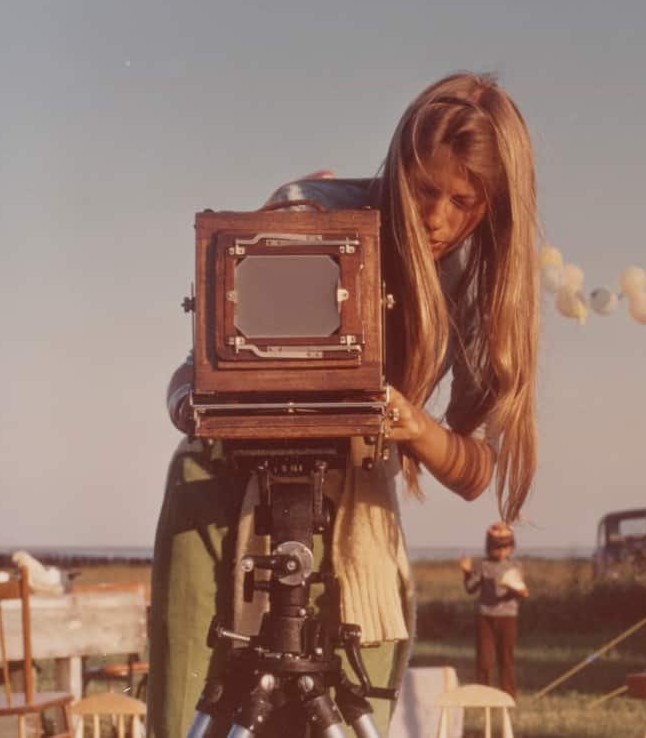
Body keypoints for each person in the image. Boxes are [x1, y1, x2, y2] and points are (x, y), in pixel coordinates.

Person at [148, 72, 541, 738]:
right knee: (182, 715)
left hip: (355, 519)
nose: (438, 217)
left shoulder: (475, 280)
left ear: (493, 206)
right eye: (422, 189)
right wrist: (199, 402)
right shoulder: (314, 212)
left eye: (463, 201)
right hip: (218, 506)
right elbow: (191, 374)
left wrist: (412, 426)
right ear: (396, 166)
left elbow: (478, 469)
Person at [459, 522, 529, 697]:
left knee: (506, 658)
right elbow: (471, 589)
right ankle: (483, 696)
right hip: (485, 617)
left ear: (512, 547)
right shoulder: (483, 566)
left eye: (505, 547)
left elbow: (522, 591)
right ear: (488, 547)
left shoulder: (516, 566)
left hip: (508, 617)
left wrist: (517, 590)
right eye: (496, 548)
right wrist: (467, 572)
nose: (501, 551)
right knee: (484, 659)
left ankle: (509, 695)